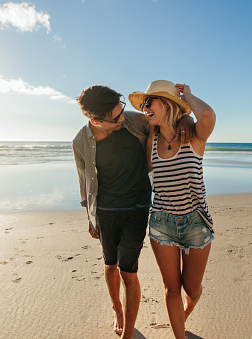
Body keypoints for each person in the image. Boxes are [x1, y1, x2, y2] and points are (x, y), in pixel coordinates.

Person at [72, 85, 194, 338]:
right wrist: (90, 217)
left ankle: (128, 334)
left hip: (137, 207)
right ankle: (117, 308)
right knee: (110, 265)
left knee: (128, 271)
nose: (122, 118)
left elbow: (167, 116)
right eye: (116, 117)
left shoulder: (133, 121)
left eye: (122, 110)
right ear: (95, 120)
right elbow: (84, 181)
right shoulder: (80, 142)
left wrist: (186, 118)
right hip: (105, 210)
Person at [129, 80, 216, 339]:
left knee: (192, 288)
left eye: (149, 102)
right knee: (171, 288)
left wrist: (187, 96)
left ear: (166, 104)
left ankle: (186, 310)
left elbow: (208, 115)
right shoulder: (151, 141)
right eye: (143, 104)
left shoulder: (195, 135)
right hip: (161, 223)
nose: (144, 108)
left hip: (196, 223)